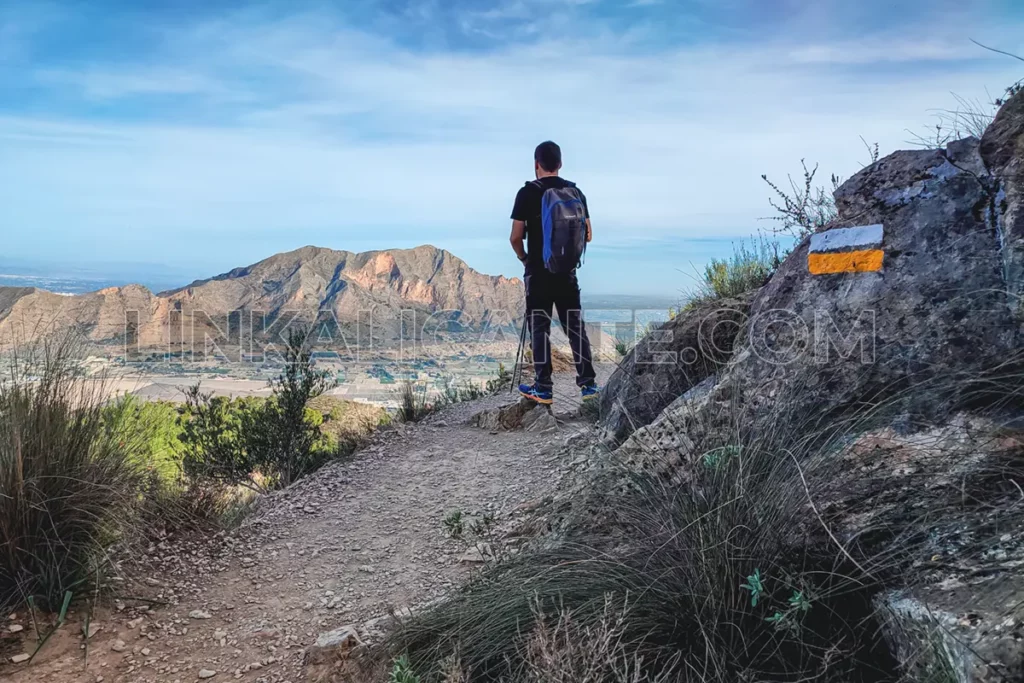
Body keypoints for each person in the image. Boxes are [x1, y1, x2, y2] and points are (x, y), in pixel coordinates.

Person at [509, 140, 598, 405]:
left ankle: (544, 388)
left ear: (536, 164)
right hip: (567, 272)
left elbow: (515, 237)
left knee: (540, 328)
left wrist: (524, 259)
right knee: (575, 327)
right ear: (560, 164)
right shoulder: (575, 192)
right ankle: (589, 386)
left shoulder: (527, 193)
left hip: (538, 272)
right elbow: (589, 235)